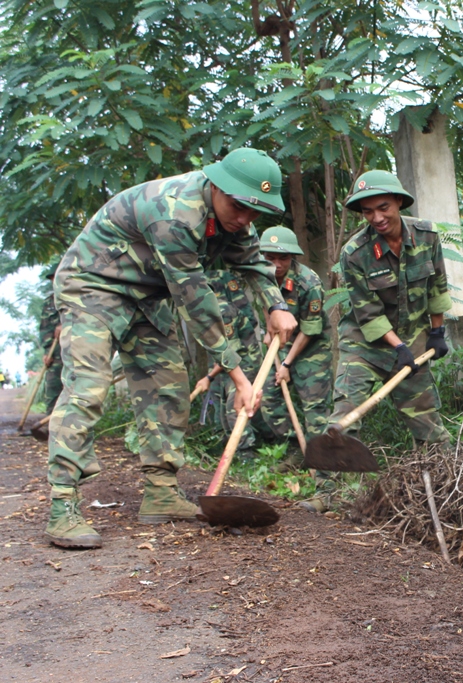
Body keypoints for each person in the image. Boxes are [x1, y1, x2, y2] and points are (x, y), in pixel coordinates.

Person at [46, 148, 298, 550]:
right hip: (93, 286)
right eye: (239, 208)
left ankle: (161, 492)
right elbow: (196, 302)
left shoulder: (236, 214)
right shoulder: (175, 214)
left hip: (147, 295)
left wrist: (276, 305)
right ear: (216, 186)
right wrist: (238, 377)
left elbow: (253, 265)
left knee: (169, 387)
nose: (245, 220)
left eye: (255, 213)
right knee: (88, 388)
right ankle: (62, 505)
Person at [317, 170, 451, 509]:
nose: (376, 217)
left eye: (383, 207)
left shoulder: (427, 236)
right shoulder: (355, 253)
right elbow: (368, 313)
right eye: (367, 212)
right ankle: (328, 495)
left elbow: (437, 288)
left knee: (429, 426)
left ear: (399, 204)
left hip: (414, 340)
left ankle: (445, 489)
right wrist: (399, 348)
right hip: (364, 344)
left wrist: (437, 332)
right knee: (344, 415)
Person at [257, 227, 334, 475]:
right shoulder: (261, 277)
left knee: (315, 410)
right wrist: (270, 335)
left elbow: (310, 329)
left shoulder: (308, 282)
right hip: (281, 345)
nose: (277, 264)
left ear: (293, 258)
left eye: (283, 258)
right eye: (270, 258)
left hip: (311, 348)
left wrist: (287, 365)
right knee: (269, 399)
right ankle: (295, 451)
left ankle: (324, 470)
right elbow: (266, 308)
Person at [190, 268, 268, 460]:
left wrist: (208, 377)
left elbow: (231, 353)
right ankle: (228, 451)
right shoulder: (205, 313)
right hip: (222, 364)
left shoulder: (222, 311)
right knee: (219, 409)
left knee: (235, 408)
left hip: (243, 361)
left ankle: (246, 456)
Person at [37, 262, 64, 417]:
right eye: (52, 279)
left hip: (74, 351)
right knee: (52, 386)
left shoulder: (77, 298)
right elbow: (44, 329)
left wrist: (65, 324)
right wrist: (47, 352)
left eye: (57, 277)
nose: (55, 281)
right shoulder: (49, 302)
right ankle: (49, 424)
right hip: (55, 352)